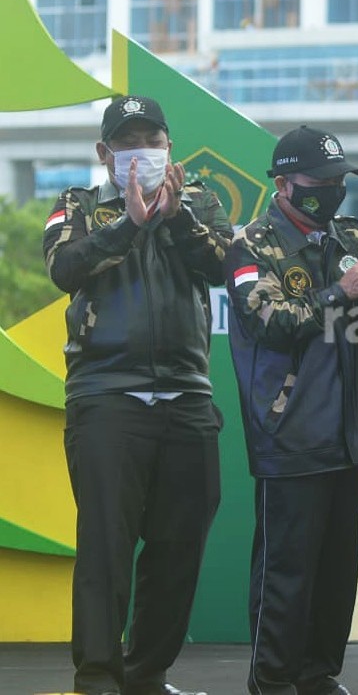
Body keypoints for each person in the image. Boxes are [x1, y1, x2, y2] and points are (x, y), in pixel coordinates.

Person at [42, 95, 232, 695]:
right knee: (105, 542)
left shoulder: (199, 201)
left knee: (180, 543)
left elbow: (225, 264)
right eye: (129, 143)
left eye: (153, 141)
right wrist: (129, 221)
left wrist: (172, 218)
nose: (142, 153)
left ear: (169, 148)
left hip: (187, 393)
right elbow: (63, 269)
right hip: (105, 393)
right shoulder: (77, 205)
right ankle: (96, 678)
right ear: (105, 153)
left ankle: (145, 673)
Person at [226, 126, 358, 695]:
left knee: (336, 569)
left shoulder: (345, 235)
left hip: (349, 427)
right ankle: (273, 680)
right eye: (319, 182)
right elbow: (271, 324)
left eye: (337, 182)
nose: (330, 192)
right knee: (287, 570)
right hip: (291, 429)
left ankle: (318, 672)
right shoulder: (252, 244)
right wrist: (341, 292)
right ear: (283, 184)